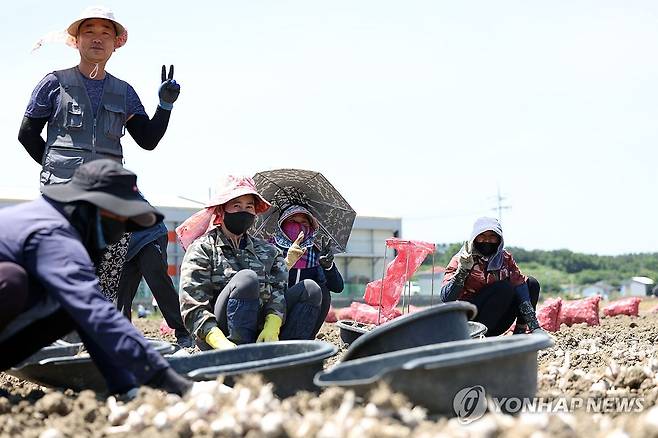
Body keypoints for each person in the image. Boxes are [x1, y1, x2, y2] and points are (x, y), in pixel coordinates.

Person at [17, 6, 180, 301]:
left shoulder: (123, 92)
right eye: (89, 31)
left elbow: (148, 139)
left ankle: (95, 335)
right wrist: (57, 169)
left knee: (107, 278)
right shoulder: (53, 83)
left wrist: (165, 106)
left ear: (116, 44)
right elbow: (27, 135)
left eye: (106, 32)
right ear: (76, 41)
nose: (97, 38)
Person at [0, 160, 191, 396]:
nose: (122, 230)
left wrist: (127, 388)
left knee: (66, 313)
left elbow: (88, 320)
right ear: (93, 208)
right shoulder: (53, 232)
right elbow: (96, 311)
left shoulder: (65, 227)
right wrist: (172, 382)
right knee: (11, 281)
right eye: (118, 218)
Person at [177, 176, 324, 350]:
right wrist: (217, 339)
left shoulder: (268, 251)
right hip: (218, 338)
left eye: (249, 206)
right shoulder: (203, 248)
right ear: (222, 211)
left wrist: (273, 324)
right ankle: (240, 355)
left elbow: (278, 292)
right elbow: (192, 303)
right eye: (237, 206)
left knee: (310, 289)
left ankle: (288, 355)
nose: (243, 211)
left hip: (260, 333)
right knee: (247, 279)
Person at [440, 217, 543, 336]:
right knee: (503, 288)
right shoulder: (462, 259)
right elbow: (446, 298)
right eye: (482, 236)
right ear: (474, 237)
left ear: (499, 239)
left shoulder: (504, 259)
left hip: (497, 320)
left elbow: (520, 286)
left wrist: (534, 325)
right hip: (468, 322)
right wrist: (462, 271)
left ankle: (519, 333)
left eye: (492, 236)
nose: (487, 240)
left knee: (531, 283)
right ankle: (477, 336)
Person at [270, 204, 344, 337]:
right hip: (274, 312)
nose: (298, 226)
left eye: (304, 222)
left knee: (322, 291)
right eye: (292, 221)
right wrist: (287, 261)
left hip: (304, 316)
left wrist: (328, 267)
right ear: (282, 223)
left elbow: (338, 287)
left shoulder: (315, 252)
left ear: (311, 226)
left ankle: (305, 341)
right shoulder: (270, 248)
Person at [116, 222, 194, 347]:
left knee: (158, 281)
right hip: (124, 242)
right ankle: (120, 332)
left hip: (148, 234)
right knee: (120, 288)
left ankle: (183, 331)